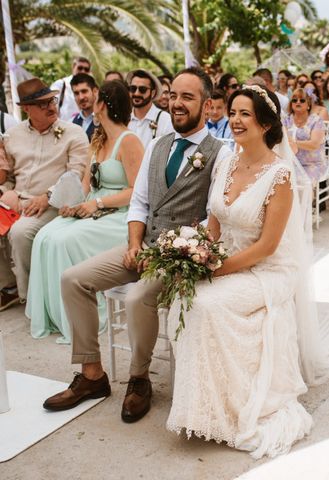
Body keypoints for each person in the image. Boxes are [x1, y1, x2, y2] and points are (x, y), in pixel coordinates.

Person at [42, 68, 231, 422]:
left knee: (136, 296)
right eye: (173, 95)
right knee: (72, 279)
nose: (177, 103)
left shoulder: (219, 154)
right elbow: (139, 203)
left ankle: (139, 378)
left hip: (179, 256)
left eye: (187, 97)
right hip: (142, 245)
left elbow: (213, 219)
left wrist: (171, 249)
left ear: (207, 106)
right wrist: (133, 244)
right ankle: (92, 375)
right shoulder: (158, 145)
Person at [165, 84, 314, 458]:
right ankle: (201, 406)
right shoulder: (226, 161)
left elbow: (267, 246)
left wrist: (215, 270)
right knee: (186, 297)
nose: (235, 120)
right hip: (225, 261)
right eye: (232, 112)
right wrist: (197, 253)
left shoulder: (279, 177)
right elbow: (214, 222)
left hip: (268, 271)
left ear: (265, 124)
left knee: (206, 305)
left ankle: (232, 409)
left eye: (245, 114)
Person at [27, 81, 144, 344]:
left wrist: (98, 204)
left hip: (119, 215)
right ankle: (52, 316)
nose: (91, 100)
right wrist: (74, 204)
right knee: (45, 235)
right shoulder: (97, 139)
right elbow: (85, 184)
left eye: (97, 98)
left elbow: (137, 191)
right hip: (92, 209)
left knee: (63, 241)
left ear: (103, 104)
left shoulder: (129, 141)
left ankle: (79, 318)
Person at [0, 78, 88, 309]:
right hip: (17, 200)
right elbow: (8, 177)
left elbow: (76, 174)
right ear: (25, 108)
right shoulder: (12, 135)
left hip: (54, 204)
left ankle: (33, 299)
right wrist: (7, 193)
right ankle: (8, 287)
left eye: (52, 100)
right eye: (42, 104)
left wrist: (46, 197)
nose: (51, 106)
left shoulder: (73, 133)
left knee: (20, 232)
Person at [284, 87, 326, 182]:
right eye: (294, 100)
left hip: (313, 165)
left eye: (302, 100)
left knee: (300, 181)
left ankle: (308, 197)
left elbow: (314, 145)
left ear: (308, 105)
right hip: (291, 163)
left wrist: (294, 142)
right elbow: (283, 140)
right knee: (279, 178)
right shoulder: (286, 120)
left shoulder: (316, 120)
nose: (298, 102)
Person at [126, 69, 174, 148]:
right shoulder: (123, 118)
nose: (136, 93)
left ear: (153, 93)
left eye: (142, 90)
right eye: (133, 88)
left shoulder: (165, 120)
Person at [51, 56, 92, 121]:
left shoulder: (91, 88)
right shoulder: (61, 84)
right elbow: (51, 107)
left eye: (86, 69)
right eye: (80, 68)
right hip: (62, 128)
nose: (83, 71)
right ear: (73, 67)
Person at [70, 73, 99, 140]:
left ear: (95, 91)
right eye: (76, 93)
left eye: (84, 91)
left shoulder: (106, 121)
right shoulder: (71, 122)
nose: (81, 97)